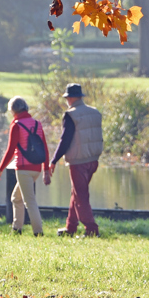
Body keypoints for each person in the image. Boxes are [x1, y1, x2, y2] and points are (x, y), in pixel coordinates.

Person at [50, 82, 103, 237]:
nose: (67, 101)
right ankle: (71, 228)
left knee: (81, 196)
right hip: (93, 159)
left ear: (71, 98)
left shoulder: (71, 115)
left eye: (67, 98)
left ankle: (91, 230)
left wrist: (53, 161)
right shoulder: (95, 112)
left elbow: (65, 140)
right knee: (77, 193)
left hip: (78, 161)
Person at [0, 96, 51, 236]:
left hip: (23, 168)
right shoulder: (37, 124)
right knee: (16, 198)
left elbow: (10, 150)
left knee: (29, 201)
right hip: (36, 169)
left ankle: (38, 232)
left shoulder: (17, 125)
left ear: (13, 111)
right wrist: (46, 170)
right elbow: (44, 148)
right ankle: (16, 228)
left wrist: (0, 169)